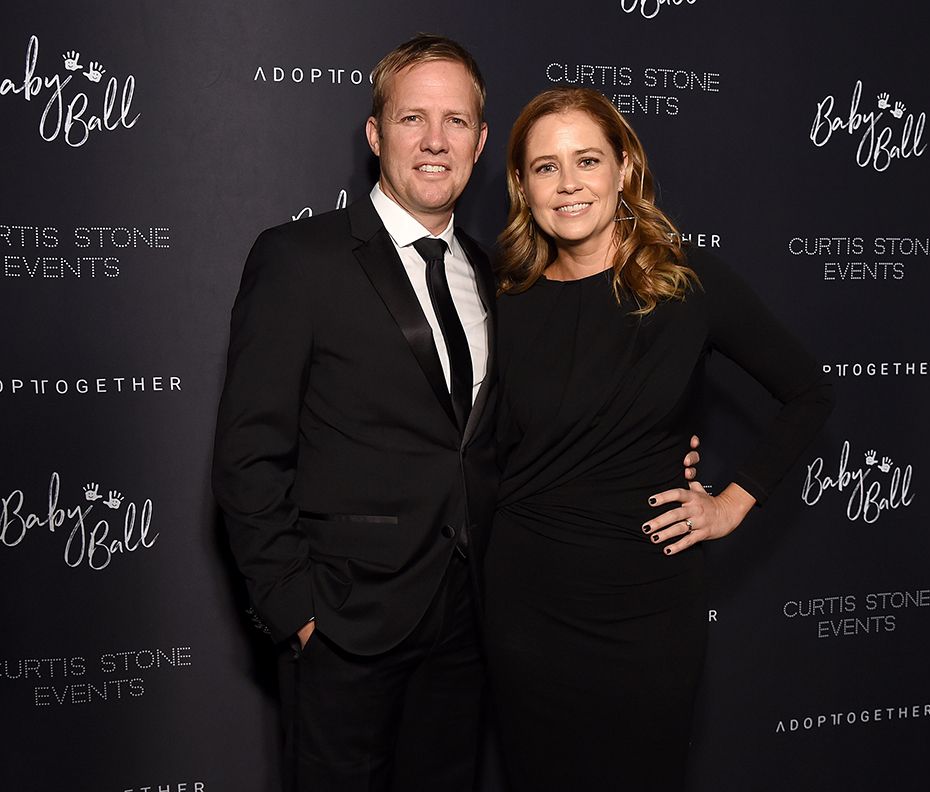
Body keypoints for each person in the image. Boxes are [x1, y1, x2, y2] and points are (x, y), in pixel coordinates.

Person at [212, 37, 699, 792]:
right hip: (346, 629)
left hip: (472, 629)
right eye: (413, 118)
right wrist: (300, 614)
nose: (435, 140)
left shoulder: (500, 276)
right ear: (376, 135)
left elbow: (541, 425)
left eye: (457, 121)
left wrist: (665, 454)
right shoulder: (299, 259)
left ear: (479, 141)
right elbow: (248, 454)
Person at [484, 87, 834, 791]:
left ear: (624, 169)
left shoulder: (685, 284)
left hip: (647, 611)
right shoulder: (503, 298)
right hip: (526, 608)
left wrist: (731, 503)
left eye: (587, 159)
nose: (570, 183)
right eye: (546, 167)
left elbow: (809, 392)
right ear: (522, 186)